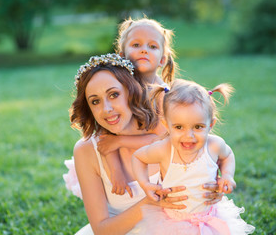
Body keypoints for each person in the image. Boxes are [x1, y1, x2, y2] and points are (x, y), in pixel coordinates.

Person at [64, 54, 223, 234]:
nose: (106, 109)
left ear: (131, 92)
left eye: (114, 95)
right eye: (95, 101)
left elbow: (212, 157)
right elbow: (101, 230)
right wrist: (150, 202)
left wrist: (214, 187)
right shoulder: (87, 150)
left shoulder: (170, 130)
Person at [132, 79, 255, 234]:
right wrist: (145, 183)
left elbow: (228, 155)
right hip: (172, 222)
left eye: (198, 127)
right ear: (166, 124)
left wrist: (227, 175)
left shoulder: (214, 145)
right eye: (178, 127)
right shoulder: (163, 149)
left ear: (210, 125)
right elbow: (138, 157)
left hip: (209, 216)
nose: (188, 136)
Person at [94, 17, 179, 195]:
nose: (144, 51)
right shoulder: (116, 88)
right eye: (136, 45)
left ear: (162, 60)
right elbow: (105, 136)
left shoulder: (162, 93)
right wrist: (115, 171)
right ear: (122, 55)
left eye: (152, 46)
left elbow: (162, 139)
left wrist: (119, 141)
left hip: (158, 165)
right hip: (124, 163)